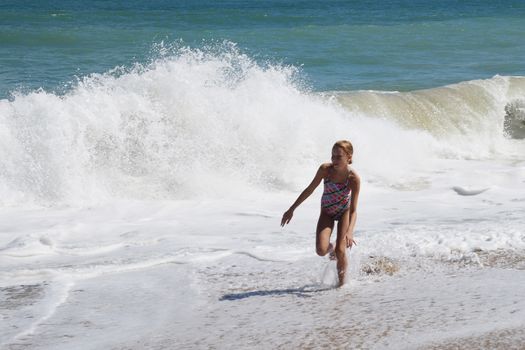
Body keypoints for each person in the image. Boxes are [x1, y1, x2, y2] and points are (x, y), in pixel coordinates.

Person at [281, 140, 360, 287]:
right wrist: (292, 209)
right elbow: (309, 189)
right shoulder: (326, 170)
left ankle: (342, 286)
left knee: (341, 250)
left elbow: (354, 210)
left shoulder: (353, 178)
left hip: (344, 213)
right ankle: (333, 248)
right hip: (327, 212)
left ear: (349, 157)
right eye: (333, 156)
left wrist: (350, 232)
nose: (334, 160)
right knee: (321, 250)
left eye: (339, 157)